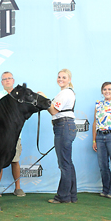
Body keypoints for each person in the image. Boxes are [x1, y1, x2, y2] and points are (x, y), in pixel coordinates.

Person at [39, 69, 77, 204]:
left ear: (69, 79)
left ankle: (63, 196)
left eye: (64, 77)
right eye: (59, 77)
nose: (61, 79)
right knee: (68, 162)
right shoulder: (66, 92)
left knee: (64, 164)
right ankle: (71, 195)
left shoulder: (65, 92)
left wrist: (44, 99)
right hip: (66, 125)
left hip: (63, 126)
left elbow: (54, 111)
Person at [0, 71, 26, 198]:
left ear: (13, 80)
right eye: (5, 79)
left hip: (16, 135)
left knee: (15, 161)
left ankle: (18, 188)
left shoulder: (20, 96)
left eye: (9, 78)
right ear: (2, 82)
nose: (7, 80)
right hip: (0, 136)